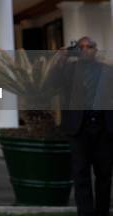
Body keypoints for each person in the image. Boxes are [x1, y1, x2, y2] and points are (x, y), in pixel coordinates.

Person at [54, 36, 113, 216]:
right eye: (82, 47)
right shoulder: (68, 71)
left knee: (104, 175)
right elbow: (52, 84)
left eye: (90, 46)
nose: (86, 49)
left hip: (104, 129)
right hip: (78, 130)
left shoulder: (108, 71)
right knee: (81, 175)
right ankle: (85, 213)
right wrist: (60, 59)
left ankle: (102, 212)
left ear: (96, 50)